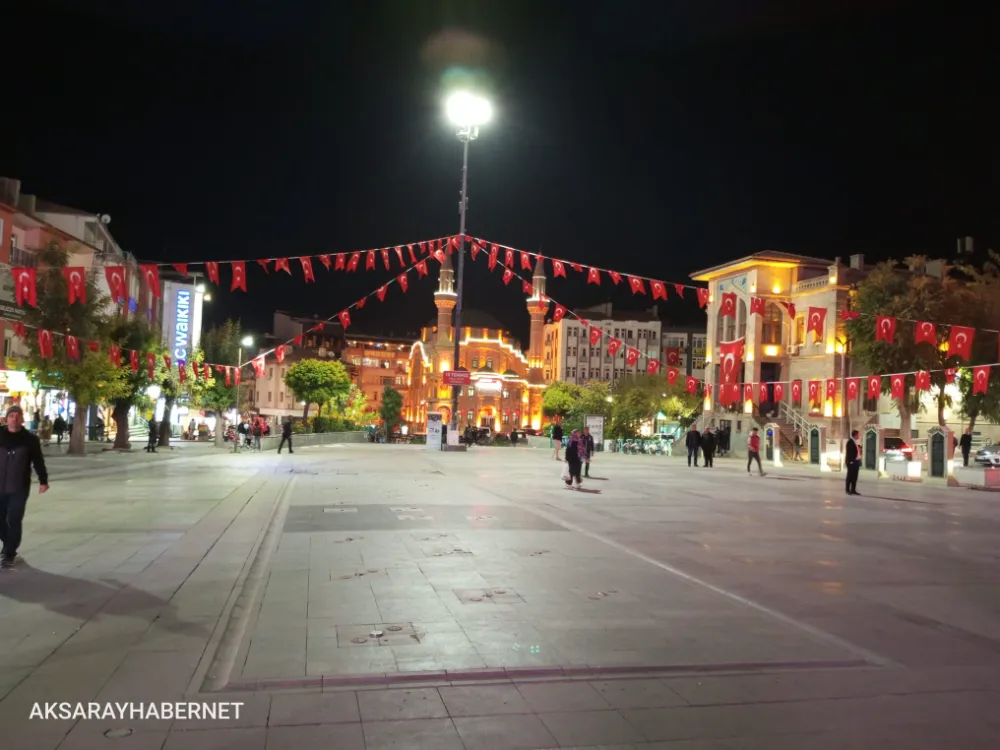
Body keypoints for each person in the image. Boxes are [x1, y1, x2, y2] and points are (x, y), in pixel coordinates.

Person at [0, 405, 49, 569]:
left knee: (14, 518)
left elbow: (38, 461)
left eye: (17, 415)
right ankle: (9, 544)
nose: (14, 418)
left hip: (18, 487)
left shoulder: (30, 439)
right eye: (11, 415)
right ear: (6, 419)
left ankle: (9, 553)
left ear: (21, 419)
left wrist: (43, 481)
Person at [845, 429, 861, 495]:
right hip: (852, 462)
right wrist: (851, 461)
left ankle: (853, 490)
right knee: (850, 476)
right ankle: (848, 490)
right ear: (855, 435)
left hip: (856, 462)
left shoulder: (855, 442)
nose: (859, 436)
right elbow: (849, 453)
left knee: (855, 477)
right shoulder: (850, 442)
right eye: (858, 434)